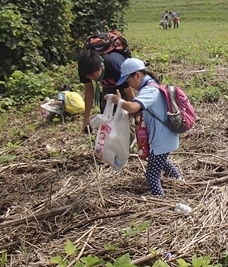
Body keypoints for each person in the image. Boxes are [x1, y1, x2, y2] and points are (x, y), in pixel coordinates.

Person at [107, 58, 183, 196]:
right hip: (164, 138)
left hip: (162, 139)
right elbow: (140, 109)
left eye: (128, 81)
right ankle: (180, 181)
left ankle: (161, 200)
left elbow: (134, 106)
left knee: (151, 176)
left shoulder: (149, 90)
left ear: (137, 75)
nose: (129, 85)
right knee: (162, 161)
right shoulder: (150, 86)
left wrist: (118, 101)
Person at [77, 49, 135, 134]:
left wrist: (136, 111)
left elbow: (131, 96)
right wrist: (86, 119)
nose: (91, 79)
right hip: (108, 87)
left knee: (125, 120)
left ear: (101, 66)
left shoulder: (117, 67)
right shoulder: (85, 70)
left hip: (124, 87)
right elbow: (89, 92)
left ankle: (129, 143)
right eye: (88, 77)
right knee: (108, 121)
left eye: (93, 75)